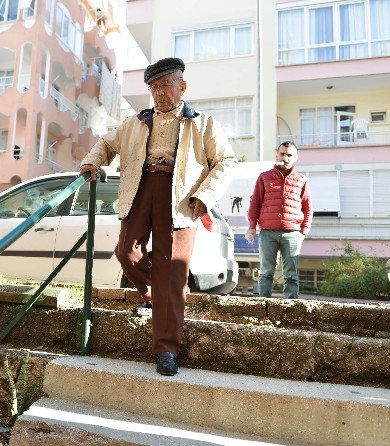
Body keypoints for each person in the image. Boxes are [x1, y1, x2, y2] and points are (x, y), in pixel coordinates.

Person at [79, 57, 237, 376]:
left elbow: (226, 162)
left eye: (166, 85)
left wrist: (204, 195)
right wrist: (91, 163)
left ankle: (167, 349)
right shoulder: (135, 122)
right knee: (126, 253)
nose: (160, 92)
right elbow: (106, 145)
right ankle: (156, 294)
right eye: (154, 87)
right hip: (141, 186)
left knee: (173, 272)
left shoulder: (203, 124)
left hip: (180, 197)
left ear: (183, 86)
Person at [246, 141, 312, 299]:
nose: (286, 157)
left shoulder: (301, 180)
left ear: (295, 158)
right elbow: (255, 203)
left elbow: (308, 207)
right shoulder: (264, 177)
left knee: (291, 274)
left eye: (290, 155)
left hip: (293, 234)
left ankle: (290, 309)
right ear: (277, 154)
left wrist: (303, 232)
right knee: (266, 272)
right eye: (282, 154)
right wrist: (252, 227)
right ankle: (264, 307)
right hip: (268, 233)